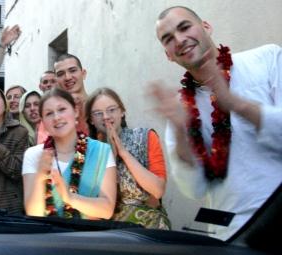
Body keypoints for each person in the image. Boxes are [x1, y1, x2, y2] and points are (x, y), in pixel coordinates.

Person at [152, 6, 282, 240]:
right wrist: (182, 133)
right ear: (168, 55)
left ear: (206, 27)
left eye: (184, 27)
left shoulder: (267, 58)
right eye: (168, 39)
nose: (180, 40)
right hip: (234, 233)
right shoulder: (179, 108)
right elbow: (194, 189)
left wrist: (235, 103)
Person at [22, 88, 117, 219]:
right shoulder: (34, 155)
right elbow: (34, 214)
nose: (57, 117)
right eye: (49, 113)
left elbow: (107, 211)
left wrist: (70, 197)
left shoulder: (101, 151)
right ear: (43, 121)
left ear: (76, 111)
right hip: (48, 237)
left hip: (90, 236)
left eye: (62, 109)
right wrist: (40, 177)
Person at [85, 87, 171, 229]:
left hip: (149, 226)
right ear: (91, 120)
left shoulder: (146, 136)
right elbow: (91, 205)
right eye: (98, 113)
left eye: (111, 110)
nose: (106, 116)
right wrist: (110, 156)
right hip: (109, 230)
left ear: (122, 112)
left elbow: (157, 190)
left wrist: (123, 152)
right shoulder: (88, 152)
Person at [54, 54, 89, 133]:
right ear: (56, 81)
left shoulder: (99, 106)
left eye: (72, 70)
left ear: (83, 74)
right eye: (60, 74)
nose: (67, 77)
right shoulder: (53, 114)